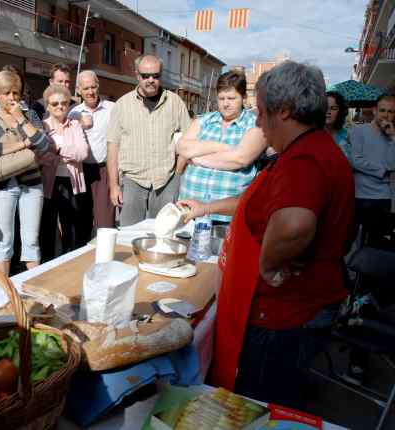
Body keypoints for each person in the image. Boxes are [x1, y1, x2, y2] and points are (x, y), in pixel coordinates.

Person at [179, 61, 354, 409]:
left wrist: (268, 265)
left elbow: (294, 225)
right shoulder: (306, 150)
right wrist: (207, 207)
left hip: (284, 314)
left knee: (258, 405)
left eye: (261, 112)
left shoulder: (304, 160)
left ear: (284, 110)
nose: (258, 122)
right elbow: (261, 202)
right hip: (292, 312)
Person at [0, 71, 51, 276]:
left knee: (31, 241)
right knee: (4, 241)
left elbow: (43, 144)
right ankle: (5, 289)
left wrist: (20, 118)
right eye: (6, 93)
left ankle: (32, 284)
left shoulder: (30, 115)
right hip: (1, 185)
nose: (12, 97)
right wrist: (24, 144)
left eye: (15, 92)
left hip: (31, 183)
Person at [107, 54, 192, 226]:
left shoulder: (175, 103)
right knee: (129, 232)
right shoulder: (122, 105)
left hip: (166, 180)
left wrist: (177, 174)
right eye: (145, 76)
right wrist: (114, 186)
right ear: (137, 75)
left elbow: (189, 139)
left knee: (163, 231)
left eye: (155, 75)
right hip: (133, 179)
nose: (151, 80)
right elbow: (113, 147)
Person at [177, 70, 266, 224]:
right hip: (189, 210)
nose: (225, 104)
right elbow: (182, 147)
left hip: (226, 216)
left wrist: (195, 158)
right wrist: (223, 147)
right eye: (221, 98)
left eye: (231, 98)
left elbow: (239, 159)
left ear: (244, 97)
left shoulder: (256, 125)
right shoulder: (204, 121)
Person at [39, 84, 90, 261]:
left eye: (64, 103)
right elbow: (40, 157)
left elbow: (83, 153)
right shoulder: (42, 126)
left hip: (72, 182)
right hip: (49, 183)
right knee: (47, 228)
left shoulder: (75, 125)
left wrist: (58, 148)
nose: (60, 107)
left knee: (72, 228)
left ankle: (69, 261)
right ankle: (47, 264)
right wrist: (68, 153)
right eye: (55, 104)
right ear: (47, 106)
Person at [69, 70, 116, 230]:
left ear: (98, 86)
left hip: (104, 171)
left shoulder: (112, 109)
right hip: (80, 171)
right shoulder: (73, 112)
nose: (90, 92)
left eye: (93, 87)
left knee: (105, 223)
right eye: (86, 88)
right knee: (82, 222)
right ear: (79, 90)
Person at [349, 93, 395, 247]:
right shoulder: (358, 131)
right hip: (360, 195)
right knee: (351, 242)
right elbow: (356, 161)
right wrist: (382, 171)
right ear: (375, 110)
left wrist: (392, 138)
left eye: (390, 111)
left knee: (376, 244)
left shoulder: (393, 135)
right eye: (382, 110)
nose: (386, 115)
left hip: (383, 196)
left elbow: (392, 165)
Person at [325, 90, 351, 160]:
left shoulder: (347, 136)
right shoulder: (311, 136)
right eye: (325, 107)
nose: (328, 112)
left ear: (340, 112)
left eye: (333, 108)